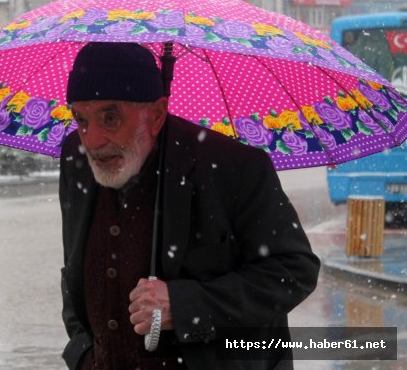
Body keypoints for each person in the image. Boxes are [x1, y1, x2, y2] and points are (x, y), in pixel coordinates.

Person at [59, 42, 320, 370]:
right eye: (81, 120)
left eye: (109, 118)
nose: (92, 139)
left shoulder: (234, 168)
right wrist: (83, 354)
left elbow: (294, 271)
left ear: (155, 115)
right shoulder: (74, 157)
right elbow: (73, 271)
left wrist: (184, 305)